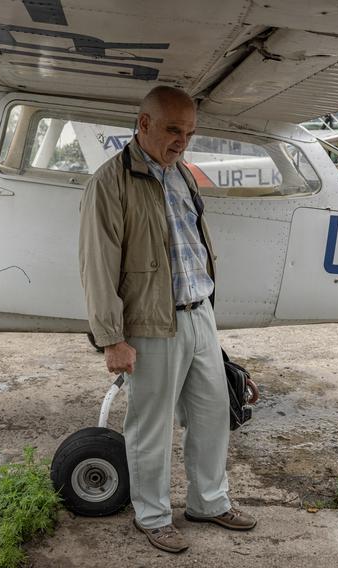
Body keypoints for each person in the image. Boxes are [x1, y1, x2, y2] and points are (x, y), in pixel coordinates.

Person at [78, 86, 256, 553]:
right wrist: (112, 338)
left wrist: (209, 311)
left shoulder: (181, 175)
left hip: (199, 315)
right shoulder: (110, 181)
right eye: (174, 130)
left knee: (213, 414)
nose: (182, 141)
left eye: (190, 132)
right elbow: (97, 265)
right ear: (144, 125)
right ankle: (153, 516)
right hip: (151, 323)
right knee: (150, 425)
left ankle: (209, 503)